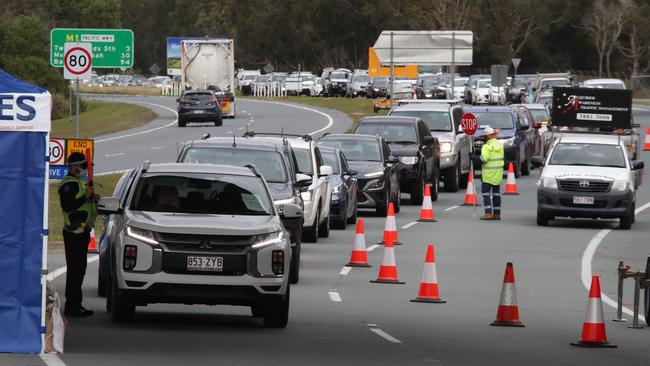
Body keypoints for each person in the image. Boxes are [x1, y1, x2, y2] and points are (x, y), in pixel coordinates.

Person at [58, 152, 98, 317]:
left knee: (80, 270)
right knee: (75, 270)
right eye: (82, 167)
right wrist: (86, 197)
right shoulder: (69, 185)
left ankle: (76, 304)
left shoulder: (81, 183)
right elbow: (68, 206)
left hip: (82, 232)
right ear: (74, 166)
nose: (84, 170)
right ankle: (71, 306)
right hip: (73, 232)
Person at [478, 127, 504, 221]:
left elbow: (483, 159)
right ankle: (497, 214)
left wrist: (474, 158)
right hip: (497, 173)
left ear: (487, 137)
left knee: (486, 194)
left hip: (488, 174)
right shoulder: (500, 145)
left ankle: (488, 213)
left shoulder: (487, 146)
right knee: (496, 194)